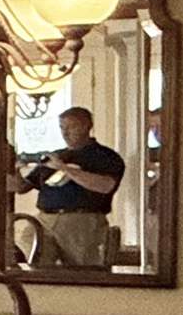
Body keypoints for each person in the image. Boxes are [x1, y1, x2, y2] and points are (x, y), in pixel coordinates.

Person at [19, 104, 125, 268]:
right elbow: (22, 187)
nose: (65, 132)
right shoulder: (56, 156)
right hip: (45, 218)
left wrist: (64, 168)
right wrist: (12, 168)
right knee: (36, 259)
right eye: (62, 127)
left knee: (83, 270)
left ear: (86, 127)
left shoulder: (105, 157)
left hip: (82, 220)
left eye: (71, 127)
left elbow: (105, 186)